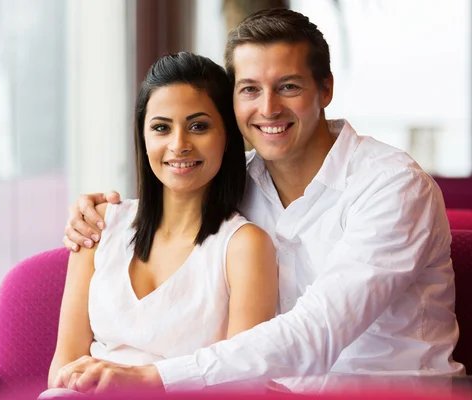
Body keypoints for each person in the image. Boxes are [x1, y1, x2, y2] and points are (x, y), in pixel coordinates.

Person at [60, 7, 464, 394]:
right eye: (250, 89)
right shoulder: (237, 179)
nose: (268, 108)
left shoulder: (392, 187)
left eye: (288, 86)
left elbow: (318, 331)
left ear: (326, 88)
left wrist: (153, 377)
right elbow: (172, 197)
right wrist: (99, 212)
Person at [45, 52, 278, 396]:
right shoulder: (99, 224)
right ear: (143, 137)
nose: (179, 145)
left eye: (198, 126)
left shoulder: (243, 246)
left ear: (227, 136)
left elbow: (240, 382)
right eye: (161, 128)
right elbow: (62, 371)